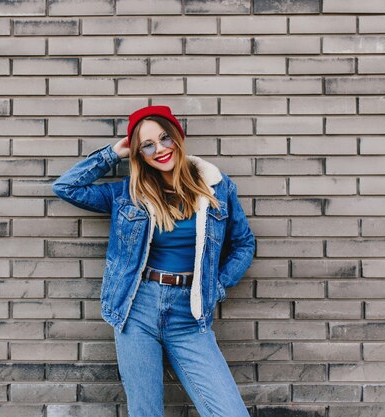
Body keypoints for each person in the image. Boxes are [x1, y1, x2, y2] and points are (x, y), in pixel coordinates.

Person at [52, 105, 255, 417]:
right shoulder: (127, 194)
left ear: (177, 137)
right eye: (147, 144)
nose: (159, 149)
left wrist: (217, 285)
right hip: (137, 310)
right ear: (139, 153)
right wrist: (113, 153)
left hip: (190, 315)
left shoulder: (216, 186)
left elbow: (244, 244)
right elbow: (66, 187)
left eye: (164, 138)